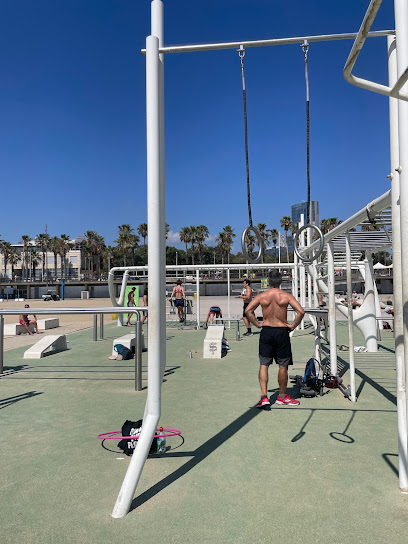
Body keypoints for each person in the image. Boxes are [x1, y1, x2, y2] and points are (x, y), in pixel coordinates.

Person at [245, 270, 305, 408]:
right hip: (281, 331)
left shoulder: (262, 296)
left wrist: (258, 324)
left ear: (268, 281)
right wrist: (292, 326)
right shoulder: (286, 296)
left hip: (266, 331)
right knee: (283, 365)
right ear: (281, 281)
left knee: (264, 364)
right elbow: (301, 311)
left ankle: (264, 397)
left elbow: (248, 310)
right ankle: (282, 396)